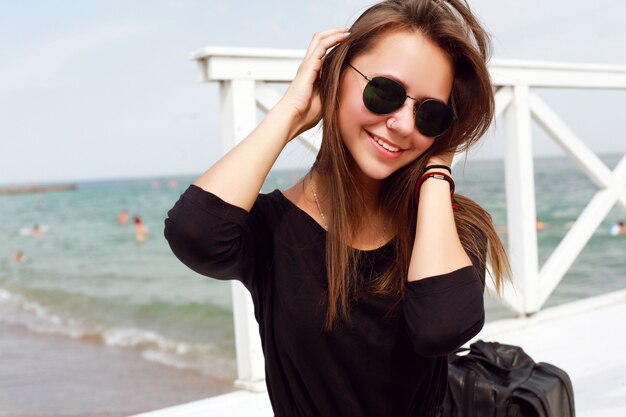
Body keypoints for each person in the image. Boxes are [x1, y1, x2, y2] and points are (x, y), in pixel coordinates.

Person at [165, 1, 510, 415]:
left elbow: (441, 328)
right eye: (385, 92)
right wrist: (291, 113)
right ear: (336, 77)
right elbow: (194, 235)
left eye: (430, 113)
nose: (402, 123)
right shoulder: (272, 229)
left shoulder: (452, 226)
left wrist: (437, 172)